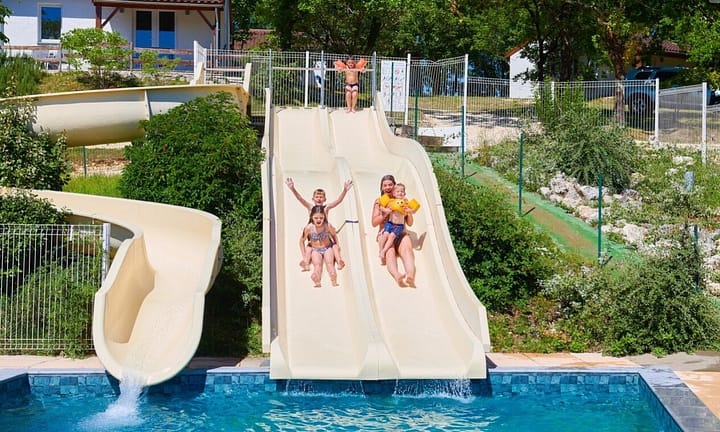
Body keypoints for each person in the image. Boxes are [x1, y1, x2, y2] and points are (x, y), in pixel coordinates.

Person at [286, 177, 353, 271]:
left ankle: (339, 261)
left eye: (321, 197)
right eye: (317, 197)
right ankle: (305, 262)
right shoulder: (310, 207)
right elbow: (300, 199)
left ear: (324, 199)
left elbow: (338, 201)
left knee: (334, 245)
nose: (319, 199)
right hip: (314, 236)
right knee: (309, 248)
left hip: (324, 235)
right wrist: (292, 188)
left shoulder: (326, 208)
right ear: (313, 199)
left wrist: (345, 190)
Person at [371, 175, 417, 287]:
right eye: (385, 185)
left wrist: (409, 212)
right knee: (390, 252)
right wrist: (385, 213)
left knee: (407, 250)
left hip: (400, 233)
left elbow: (410, 223)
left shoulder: (403, 201)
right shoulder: (379, 202)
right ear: (382, 188)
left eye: (390, 185)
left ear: (394, 185)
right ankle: (397, 275)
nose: (387, 187)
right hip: (385, 233)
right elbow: (374, 223)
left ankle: (410, 275)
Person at [300, 205, 339, 287]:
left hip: (327, 248)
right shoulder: (309, 228)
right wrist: (304, 255)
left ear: (324, 217)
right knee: (317, 265)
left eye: (321, 218)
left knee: (329, 263)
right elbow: (301, 241)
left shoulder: (327, 226)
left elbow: (334, 235)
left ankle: (333, 278)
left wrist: (337, 246)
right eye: (316, 218)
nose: (319, 220)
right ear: (312, 217)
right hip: (316, 250)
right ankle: (316, 278)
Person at [378, 183, 418, 261]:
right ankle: (381, 249)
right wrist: (386, 210)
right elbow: (381, 207)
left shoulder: (406, 204)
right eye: (398, 191)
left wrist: (409, 211)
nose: (400, 193)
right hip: (390, 223)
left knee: (391, 236)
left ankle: (384, 250)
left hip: (399, 225)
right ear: (394, 193)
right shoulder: (391, 202)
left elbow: (414, 211)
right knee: (385, 235)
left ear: (405, 194)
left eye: (402, 191)